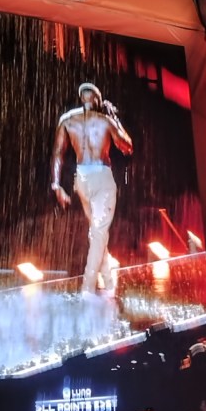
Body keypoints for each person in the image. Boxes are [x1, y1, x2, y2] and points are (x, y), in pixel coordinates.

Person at [50, 81, 133, 297]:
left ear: (82, 98)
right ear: (96, 99)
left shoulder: (67, 120)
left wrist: (56, 185)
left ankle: (109, 282)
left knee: (97, 232)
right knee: (98, 232)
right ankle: (87, 289)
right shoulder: (105, 120)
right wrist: (115, 119)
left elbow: (58, 153)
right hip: (101, 177)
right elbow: (127, 147)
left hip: (81, 179)